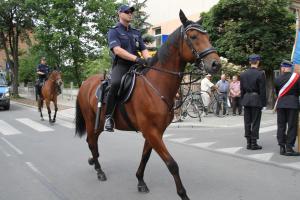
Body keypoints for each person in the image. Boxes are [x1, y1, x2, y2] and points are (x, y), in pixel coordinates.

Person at [105, 4, 151, 132]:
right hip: (122, 65)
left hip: (137, 65)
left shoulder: (136, 32)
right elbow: (117, 50)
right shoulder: (114, 31)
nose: (130, 13)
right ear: (119, 13)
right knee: (115, 83)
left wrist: (149, 61)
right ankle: (108, 117)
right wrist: (136, 58)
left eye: (131, 11)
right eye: (127, 11)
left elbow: (144, 49)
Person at [240, 54, 266, 150]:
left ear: (250, 62)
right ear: (258, 62)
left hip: (246, 99)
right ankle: (254, 143)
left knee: (247, 122)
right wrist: (263, 103)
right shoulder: (260, 74)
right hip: (256, 99)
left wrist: (242, 101)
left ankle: (248, 143)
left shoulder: (243, 74)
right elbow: (262, 90)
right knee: (255, 122)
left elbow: (241, 89)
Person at [274, 60, 300, 156]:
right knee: (292, 126)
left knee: (281, 126)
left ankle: (282, 147)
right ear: (290, 68)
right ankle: (289, 148)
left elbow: (277, 93)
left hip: (281, 105)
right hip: (293, 104)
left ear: (283, 68)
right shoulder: (297, 77)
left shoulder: (277, 79)